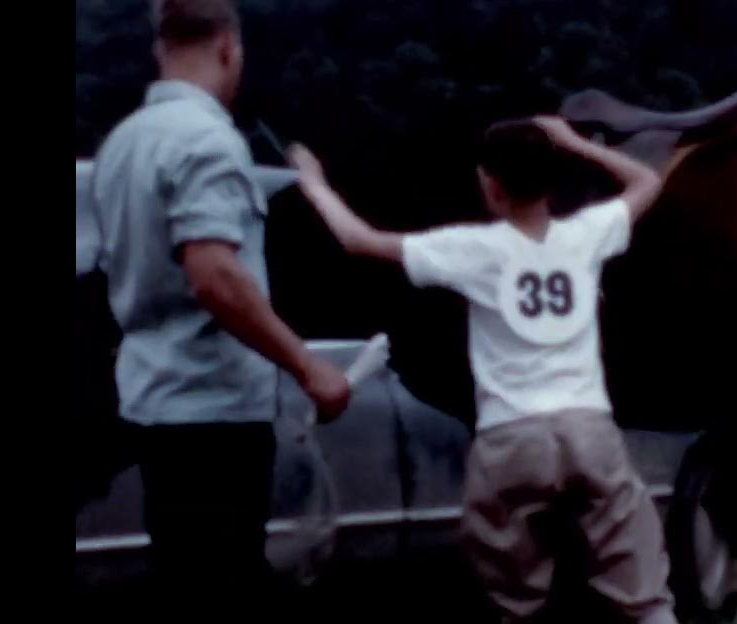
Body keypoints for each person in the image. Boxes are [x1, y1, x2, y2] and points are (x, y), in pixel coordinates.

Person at [288, 116, 695, 623]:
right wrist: (573, 143)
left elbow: (358, 239)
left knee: (513, 599)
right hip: (588, 430)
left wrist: (313, 181)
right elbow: (648, 181)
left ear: (490, 184)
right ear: (553, 179)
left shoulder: (471, 250)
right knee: (642, 589)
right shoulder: (587, 234)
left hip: (512, 439)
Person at [90, 0, 351, 595]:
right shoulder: (209, 140)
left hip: (152, 403)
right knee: (224, 580)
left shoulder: (123, 144)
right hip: (214, 415)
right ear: (229, 48)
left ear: (162, 50)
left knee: (188, 577)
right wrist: (308, 366)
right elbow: (214, 276)